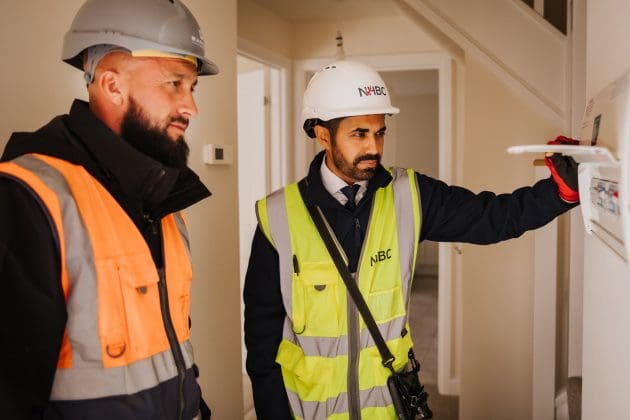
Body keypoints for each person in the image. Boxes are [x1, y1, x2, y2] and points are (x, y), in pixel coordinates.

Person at [243, 60, 579, 419]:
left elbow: (491, 217)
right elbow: (262, 334)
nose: (374, 147)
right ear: (323, 135)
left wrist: (558, 193)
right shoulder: (278, 216)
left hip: (388, 410)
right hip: (308, 411)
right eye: (359, 134)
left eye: (380, 132)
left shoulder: (410, 195)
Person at [0, 0, 218, 419]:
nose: (191, 107)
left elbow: (171, 355)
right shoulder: (29, 198)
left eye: (192, 87)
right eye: (175, 83)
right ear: (112, 85)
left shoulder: (165, 202)